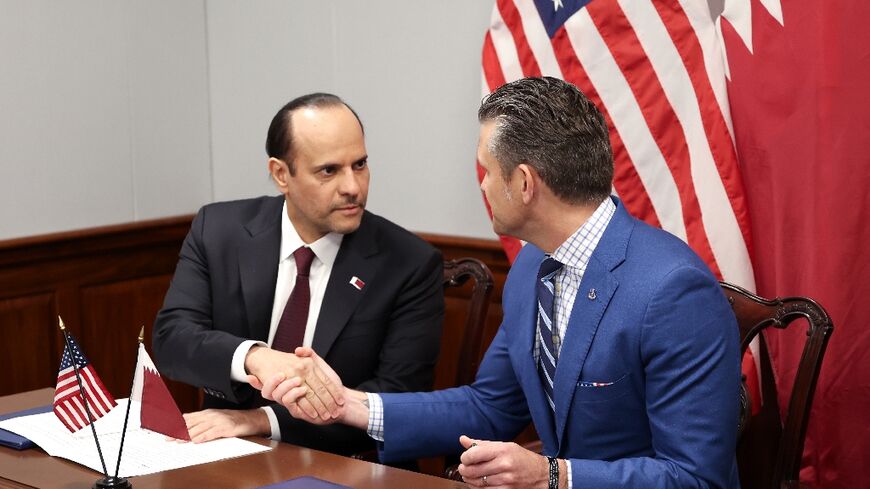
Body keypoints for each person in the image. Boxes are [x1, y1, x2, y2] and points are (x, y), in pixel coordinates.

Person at [261, 78, 742, 488]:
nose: (483, 185)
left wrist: (553, 475)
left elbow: (695, 477)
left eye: (487, 171)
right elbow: (489, 407)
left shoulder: (674, 291)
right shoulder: (533, 267)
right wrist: (346, 404)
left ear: (525, 184)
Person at [152, 93, 444, 456]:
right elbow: (173, 338)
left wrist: (260, 420)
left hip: (342, 462)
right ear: (281, 174)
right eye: (329, 171)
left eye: (360, 164)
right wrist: (256, 357)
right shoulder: (219, 230)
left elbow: (397, 398)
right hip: (221, 454)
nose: (353, 187)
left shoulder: (408, 262)